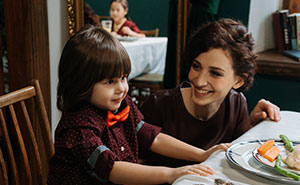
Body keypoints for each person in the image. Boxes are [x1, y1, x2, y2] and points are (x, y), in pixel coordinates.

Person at [47, 24, 232, 185]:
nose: (122, 88)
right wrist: (170, 173)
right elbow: (112, 169)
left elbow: (153, 137)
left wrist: (201, 154)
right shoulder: (78, 127)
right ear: (81, 82)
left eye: (123, 78)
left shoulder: (120, 104)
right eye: (110, 82)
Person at [140, 19, 281, 167]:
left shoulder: (237, 103)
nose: (200, 81)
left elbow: (233, 161)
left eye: (215, 73)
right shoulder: (158, 105)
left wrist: (250, 126)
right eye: (196, 66)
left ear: (238, 81)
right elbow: (132, 167)